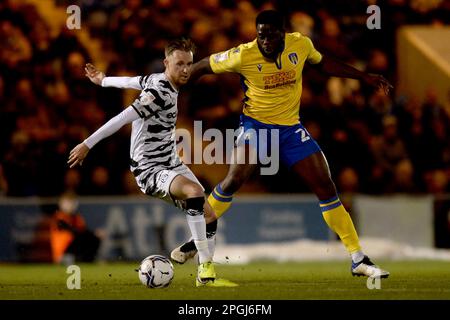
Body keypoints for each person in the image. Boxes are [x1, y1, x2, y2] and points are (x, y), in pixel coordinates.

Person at [172, 10, 392, 278]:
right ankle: (197, 241)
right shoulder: (243, 54)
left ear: (283, 33)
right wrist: (173, 83)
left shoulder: (301, 44)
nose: (264, 40)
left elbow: (322, 63)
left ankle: (358, 258)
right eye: (260, 34)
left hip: (290, 129)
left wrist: (363, 76)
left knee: (326, 186)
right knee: (234, 180)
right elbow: (205, 65)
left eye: (270, 35)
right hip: (256, 127)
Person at [68, 38, 236, 287]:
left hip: (171, 161)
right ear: (167, 63)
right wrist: (87, 144)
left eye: (189, 64)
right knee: (194, 192)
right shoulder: (159, 93)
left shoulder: (157, 79)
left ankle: (202, 272)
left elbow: (132, 80)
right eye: (180, 64)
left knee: (210, 216)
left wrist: (104, 81)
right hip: (149, 169)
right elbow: (121, 118)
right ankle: (206, 267)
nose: (186, 70)